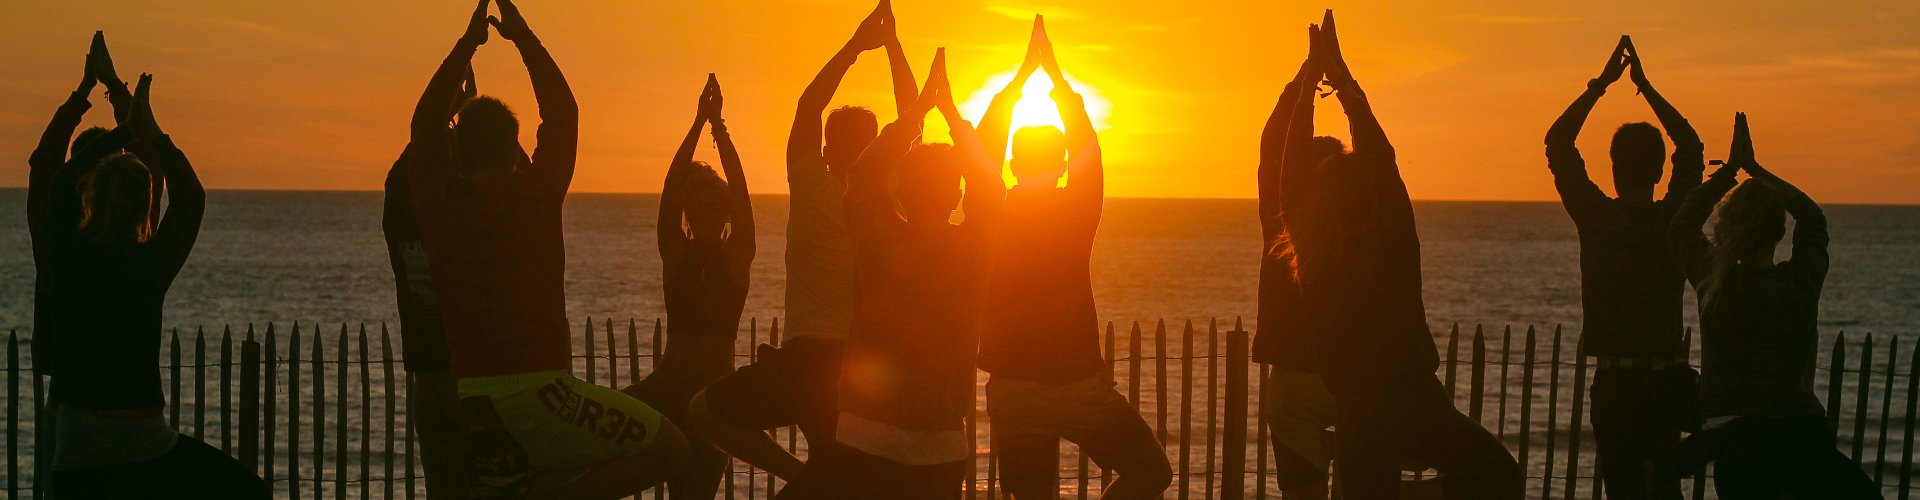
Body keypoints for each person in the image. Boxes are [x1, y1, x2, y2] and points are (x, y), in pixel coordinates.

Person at [405, 1, 687, 497]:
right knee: (670, 448)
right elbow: (563, 111)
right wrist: (523, 36)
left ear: (458, 153)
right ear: (515, 144)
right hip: (543, 394)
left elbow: (425, 125)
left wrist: (467, 43)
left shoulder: (438, 205)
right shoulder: (535, 194)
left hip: (473, 402)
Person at [1268, 11, 1523, 499]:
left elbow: (1292, 174)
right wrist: (1343, 82)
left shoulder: (1315, 261)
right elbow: (1382, 162)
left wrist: (1308, 87)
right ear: (1375, 196)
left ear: (1319, 206)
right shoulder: (1395, 246)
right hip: (1416, 404)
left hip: (1361, 416)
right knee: (1502, 480)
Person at [685, 0, 917, 491]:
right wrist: (894, 47)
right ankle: (810, 476)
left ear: (828, 150)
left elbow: (808, 106)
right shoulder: (885, 193)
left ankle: (800, 474)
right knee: (843, 471)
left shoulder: (811, 181)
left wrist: (857, 45)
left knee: (703, 412)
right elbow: (911, 119)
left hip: (808, 358)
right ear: (876, 152)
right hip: (862, 366)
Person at [776, 49, 1000, 499]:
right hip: (940, 440)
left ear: (903, 188)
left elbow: (863, 174)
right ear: (956, 195)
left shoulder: (875, 236)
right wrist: (954, 119)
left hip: (863, 430)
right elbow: (990, 185)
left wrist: (915, 114)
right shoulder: (975, 248)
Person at [36, 71, 269, 498]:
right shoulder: (148, 265)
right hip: (143, 441)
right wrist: (149, 131)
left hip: (76, 448)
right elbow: (192, 197)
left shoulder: (67, 254)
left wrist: (120, 133)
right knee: (250, 492)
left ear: (91, 200)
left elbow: (61, 180)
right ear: (146, 206)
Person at [977, 17, 1171, 500]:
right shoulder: (1077, 212)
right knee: (1151, 473)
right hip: (1077, 384)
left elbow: (979, 150)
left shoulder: (992, 213)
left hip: (1014, 387)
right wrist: (1059, 83)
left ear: (1013, 165)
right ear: (1062, 165)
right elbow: (1089, 144)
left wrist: (1020, 82)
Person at [1669, 114, 1881, 499]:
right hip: (1801, 442)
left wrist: (1730, 172)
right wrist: (1757, 171)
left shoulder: (1714, 283)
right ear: (1780, 231)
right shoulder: (1798, 283)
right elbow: (1814, 218)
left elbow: (1682, 225)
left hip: (1739, 452)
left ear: (1728, 229)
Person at [1545, 36, 1705, 500]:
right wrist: (1646, 88)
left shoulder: (1598, 220)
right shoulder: (1674, 219)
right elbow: (1690, 148)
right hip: (1668, 382)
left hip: (1616, 386)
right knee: (1666, 490)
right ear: (1658, 173)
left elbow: (1558, 142)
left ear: (1613, 169)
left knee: (1626, 493)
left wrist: (1601, 86)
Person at [624, 74, 754, 500]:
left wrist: (720, 130)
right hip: (665, 392)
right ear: (687, 210)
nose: (704, 209)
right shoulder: (676, 254)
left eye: (713, 202)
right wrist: (698, 122)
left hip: (712, 402)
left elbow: (742, 195)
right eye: (695, 203)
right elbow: (668, 192)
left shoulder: (736, 257)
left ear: (725, 208)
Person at [1254, 24, 1347, 500]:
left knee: (1304, 495)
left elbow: (1273, 146)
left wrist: (1308, 77)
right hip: (1355, 375)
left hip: (1294, 379)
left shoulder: (1283, 226)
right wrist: (1343, 84)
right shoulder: (1365, 230)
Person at [383, 65, 479, 498]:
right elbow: (515, 184)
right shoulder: (463, 225)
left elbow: (400, 175)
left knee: (442, 486)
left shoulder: (400, 219)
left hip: (426, 376)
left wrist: (449, 111)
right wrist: (472, 124)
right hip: (471, 378)